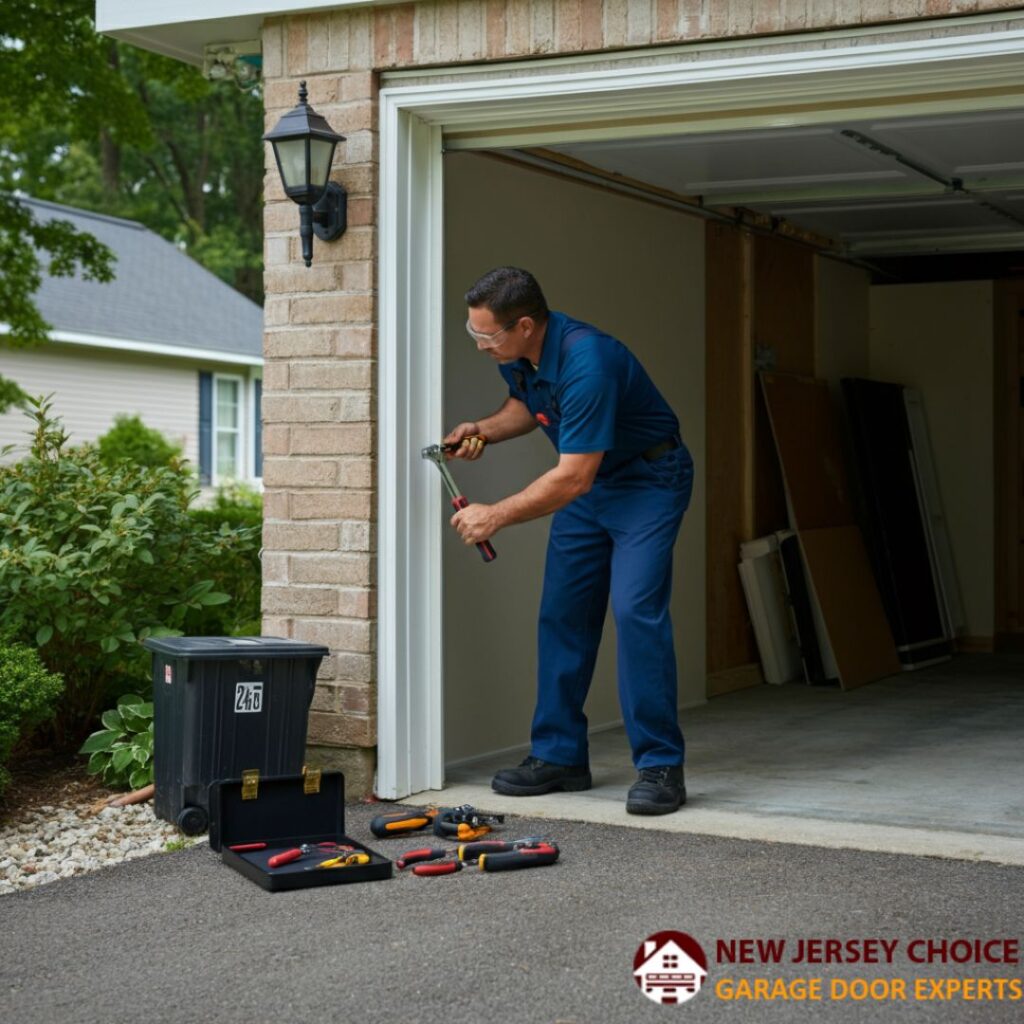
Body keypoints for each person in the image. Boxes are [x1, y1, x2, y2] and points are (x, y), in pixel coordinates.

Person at [445, 267, 695, 815]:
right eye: (473, 333)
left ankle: (660, 765)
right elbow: (528, 406)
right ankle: (560, 756)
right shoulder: (522, 355)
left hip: (646, 481)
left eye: (487, 335)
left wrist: (494, 515)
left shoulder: (589, 362)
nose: (481, 345)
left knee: (635, 612)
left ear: (524, 325)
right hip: (591, 482)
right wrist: (482, 429)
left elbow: (573, 477)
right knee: (564, 611)